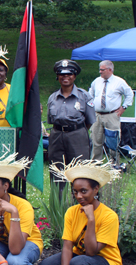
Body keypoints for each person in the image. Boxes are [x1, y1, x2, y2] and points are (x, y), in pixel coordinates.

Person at [37, 158, 122, 265]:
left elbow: (91, 252)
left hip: (106, 261)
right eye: (75, 192)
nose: (79, 197)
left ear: (96, 189)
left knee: (78, 264)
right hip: (80, 258)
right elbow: (68, 247)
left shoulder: (109, 216)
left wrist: (91, 220)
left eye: (84, 191)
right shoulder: (72, 212)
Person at [47, 59, 96, 193]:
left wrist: (75, 131)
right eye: (62, 74)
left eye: (69, 74)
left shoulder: (84, 96)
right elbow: (51, 120)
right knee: (57, 172)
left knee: (79, 172)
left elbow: (90, 120)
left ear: (74, 76)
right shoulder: (53, 98)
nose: (65, 77)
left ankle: (79, 205)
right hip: (57, 135)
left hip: (77, 135)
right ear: (58, 77)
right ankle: (59, 207)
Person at [89, 60, 134, 164]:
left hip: (112, 115)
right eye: (99, 69)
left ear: (110, 70)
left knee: (112, 141)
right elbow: (90, 94)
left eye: (102, 70)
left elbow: (129, 94)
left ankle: (114, 164)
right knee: (96, 140)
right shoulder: (97, 81)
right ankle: (95, 164)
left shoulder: (119, 82)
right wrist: (90, 107)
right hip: (97, 115)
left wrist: (124, 107)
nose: (100, 72)